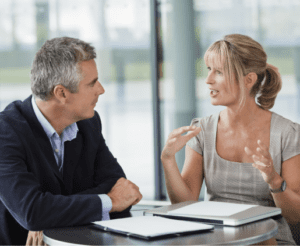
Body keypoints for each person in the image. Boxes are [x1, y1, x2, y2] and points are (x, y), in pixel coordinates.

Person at [0, 37, 142, 245]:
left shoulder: (89, 123)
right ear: (61, 93)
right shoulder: (5, 132)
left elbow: (121, 188)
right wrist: (109, 201)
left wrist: (49, 213)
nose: (101, 90)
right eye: (92, 83)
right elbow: (32, 212)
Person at [161, 34, 300, 245]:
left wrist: (274, 180)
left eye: (219, 72)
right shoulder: (202, 130)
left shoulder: (288, 133)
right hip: (216, 239)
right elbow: (185, 205)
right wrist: (168, 160)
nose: (208, 80)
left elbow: (295, 216)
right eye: (208, 70)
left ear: (249, 80)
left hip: (269, 239)